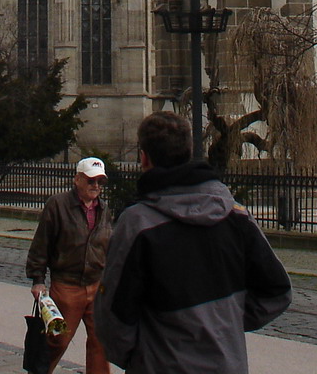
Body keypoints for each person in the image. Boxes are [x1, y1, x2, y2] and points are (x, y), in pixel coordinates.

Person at [96, 112, 291, 374]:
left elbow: (113, 315)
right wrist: (223, 324)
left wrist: (140, 355)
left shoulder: (137, 223)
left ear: (144, 157)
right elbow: (277, 291)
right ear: (189, 151)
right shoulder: (236, 215)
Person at [25, 157, 112, 374]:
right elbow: (41, 244)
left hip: (96, 285)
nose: (96, 186)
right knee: (58, 340)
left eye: (100, 182)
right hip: (67, 287)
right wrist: (38, 280)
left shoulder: (104, 209)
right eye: (91, 181)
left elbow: (107, 246)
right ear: (77, 179)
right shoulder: (58, 205)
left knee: (101, 340)